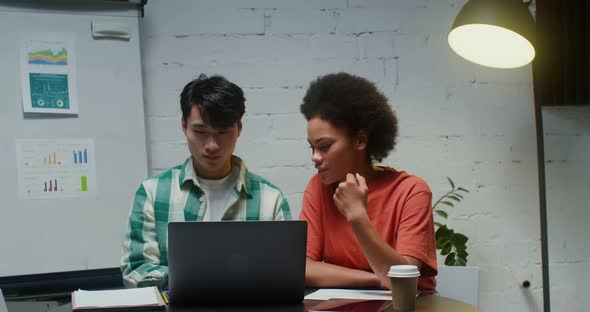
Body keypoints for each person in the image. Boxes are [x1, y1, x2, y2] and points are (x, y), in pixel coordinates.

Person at [121, 74, 292, 288]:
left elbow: (285, 275)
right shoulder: (153, 193)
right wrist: (207, 279)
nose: (211, 145)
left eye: (222, 132)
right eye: (200, 131)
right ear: (184, 126)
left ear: (239, 128)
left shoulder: (270, 199)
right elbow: (136, 270)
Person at [299, 72, 437, 295]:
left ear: (360, 140)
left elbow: (402, 282)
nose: (315, 157)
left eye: (324, 147)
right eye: (311, 147)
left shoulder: (411, 191)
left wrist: (357, 215)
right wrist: (376, 279)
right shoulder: (318, 187)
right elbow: (303, 267)